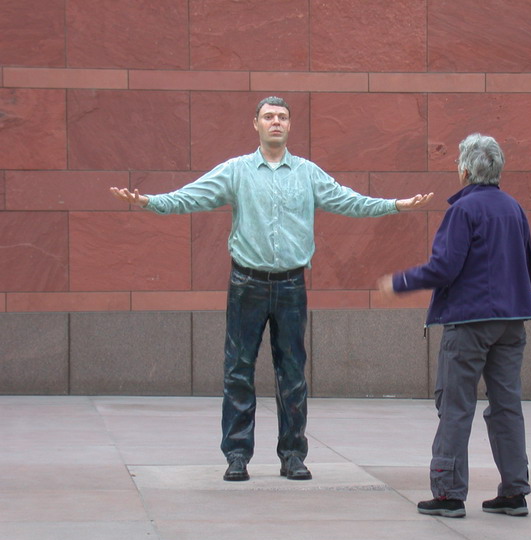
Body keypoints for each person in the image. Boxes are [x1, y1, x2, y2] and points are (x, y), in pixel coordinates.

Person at [110, 96, 433, 482]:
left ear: (289, 126)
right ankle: (236, 455)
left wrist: (396, 205)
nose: (275, 122)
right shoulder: (237, 171)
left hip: (291, 285)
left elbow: (349, 201)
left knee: (292, 373)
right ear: (256, 125)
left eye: (281, 117)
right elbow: (190, 196)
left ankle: (293, 455)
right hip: (246, 284)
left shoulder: (308, 174)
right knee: (238, 371)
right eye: (268, 117)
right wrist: (149, 202)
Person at [379, 133, 531, 518]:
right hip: (512, 321)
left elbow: (444, 267)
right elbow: (530, 269)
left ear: (465, 170)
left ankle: (448, 493)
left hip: (469, 322)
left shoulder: (463, 212)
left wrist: (399, 282)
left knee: (455, 405)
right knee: (506, 406)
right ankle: (514, 492)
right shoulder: (514, 208)